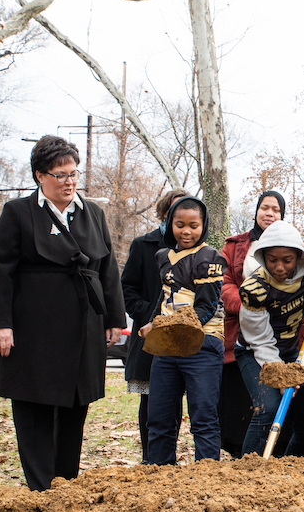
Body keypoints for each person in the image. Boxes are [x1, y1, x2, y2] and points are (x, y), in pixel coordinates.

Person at [0, 135, 125, 491]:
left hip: (83, 324)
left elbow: (107, 268)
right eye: (60, 174)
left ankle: (65, 484)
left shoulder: (92, 212)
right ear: (39, 176)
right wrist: (0, 324)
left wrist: (113, 318)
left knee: (75, 405)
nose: (69, 181)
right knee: (34, 405)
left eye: (73, 173)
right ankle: (40, 488)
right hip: (34, 327)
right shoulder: (18, 212)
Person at [141, 196, 228, 465]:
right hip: (168, 346)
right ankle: (158, 469)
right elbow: (166, 296)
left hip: (202, 344)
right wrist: (155, 321)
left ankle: (206, 475)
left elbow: (208, 304)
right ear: (169, 224)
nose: (186, 231)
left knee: (202, 414)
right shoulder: (162, 256)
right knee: (159, 415)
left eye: (193, 225)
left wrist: (182, 328)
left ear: (204, 227)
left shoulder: (211, 258)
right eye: (180, 225)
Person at [236, 220, 304, 457]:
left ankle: (288, 469)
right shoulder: (255, 289)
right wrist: (281, 375)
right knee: (268, 409)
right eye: (272, 259)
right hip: (254, 352)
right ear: (262, 256)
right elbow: (259, 340)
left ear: (298, 257)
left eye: (287, 260)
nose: (278, 267)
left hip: (290, 352)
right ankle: (248, 471)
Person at [121, 188, 188, 462]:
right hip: (150, 337)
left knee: (176, 402)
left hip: (184, 337)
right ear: (165, 213)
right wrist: (150, 316)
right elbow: (128, 289)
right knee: (151, 401)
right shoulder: (143, 245)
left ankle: (168, 458)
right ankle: (152, 460)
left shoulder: (197, 250)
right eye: (174, 211)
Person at [218, 191, 285, 457]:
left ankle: (273, 453)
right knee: (237, 398)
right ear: (256, 211)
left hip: (277, 334)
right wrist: (248, 305)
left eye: (276, 209)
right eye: (265, 208)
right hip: (238, 332)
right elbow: (224, 284)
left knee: (271, 398)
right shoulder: (235, 245)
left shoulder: (291, 245)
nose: (269, 213)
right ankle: (239, 453)